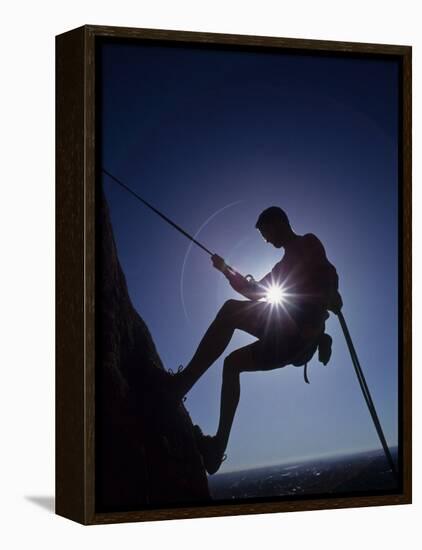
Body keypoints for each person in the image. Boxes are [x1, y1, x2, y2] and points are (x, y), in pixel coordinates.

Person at [169, 206, 342, 474]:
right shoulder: (282, 266)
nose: (267, 240)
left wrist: (331, 294)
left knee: (229, 311)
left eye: (266, 233)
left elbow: (327, 273)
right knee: (232, 364)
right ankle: (216, 450)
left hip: (295, 336)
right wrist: (225, 269)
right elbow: (254, 291)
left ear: (279, 223)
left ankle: (183, 384)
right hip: (289, 339)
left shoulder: (307, 242)